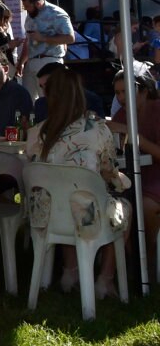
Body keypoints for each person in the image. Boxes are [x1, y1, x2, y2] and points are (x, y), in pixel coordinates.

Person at [26, 67, 130, 299]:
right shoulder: (98, 130)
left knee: (66, 196)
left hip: (44, 216)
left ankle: (69, 272)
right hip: (85, 217)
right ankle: (105, 279)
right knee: (121, 207)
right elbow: (108, 171)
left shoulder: (37, 132)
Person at [107, 69, 160, 284]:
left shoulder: (157, 110)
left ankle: (149, 261)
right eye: (117, 93)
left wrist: (131, 133)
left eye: (125, 92)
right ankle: (131, 263)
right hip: (131, 176)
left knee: (145, 206)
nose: (121, 98)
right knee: (116, 204)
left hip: (155, 175)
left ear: (144, 91)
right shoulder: (121, 114)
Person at [17, 0, 75, 100]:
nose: (26, 9)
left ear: (37, 4)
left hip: (49, 60)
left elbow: (70, 38)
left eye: (28, 6)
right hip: (31, 61)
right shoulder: (31, 14)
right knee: (27, 99)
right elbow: (28, 40)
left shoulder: (56, 13)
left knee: (50, 98)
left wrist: (43, 38)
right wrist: (21, 62)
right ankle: (32, 117)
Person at [32, 60, 104, 123]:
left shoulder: (89, 99)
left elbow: (98, 128)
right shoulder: (41, 104)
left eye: (48, 85)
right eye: (41, 87)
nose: (44, 91)